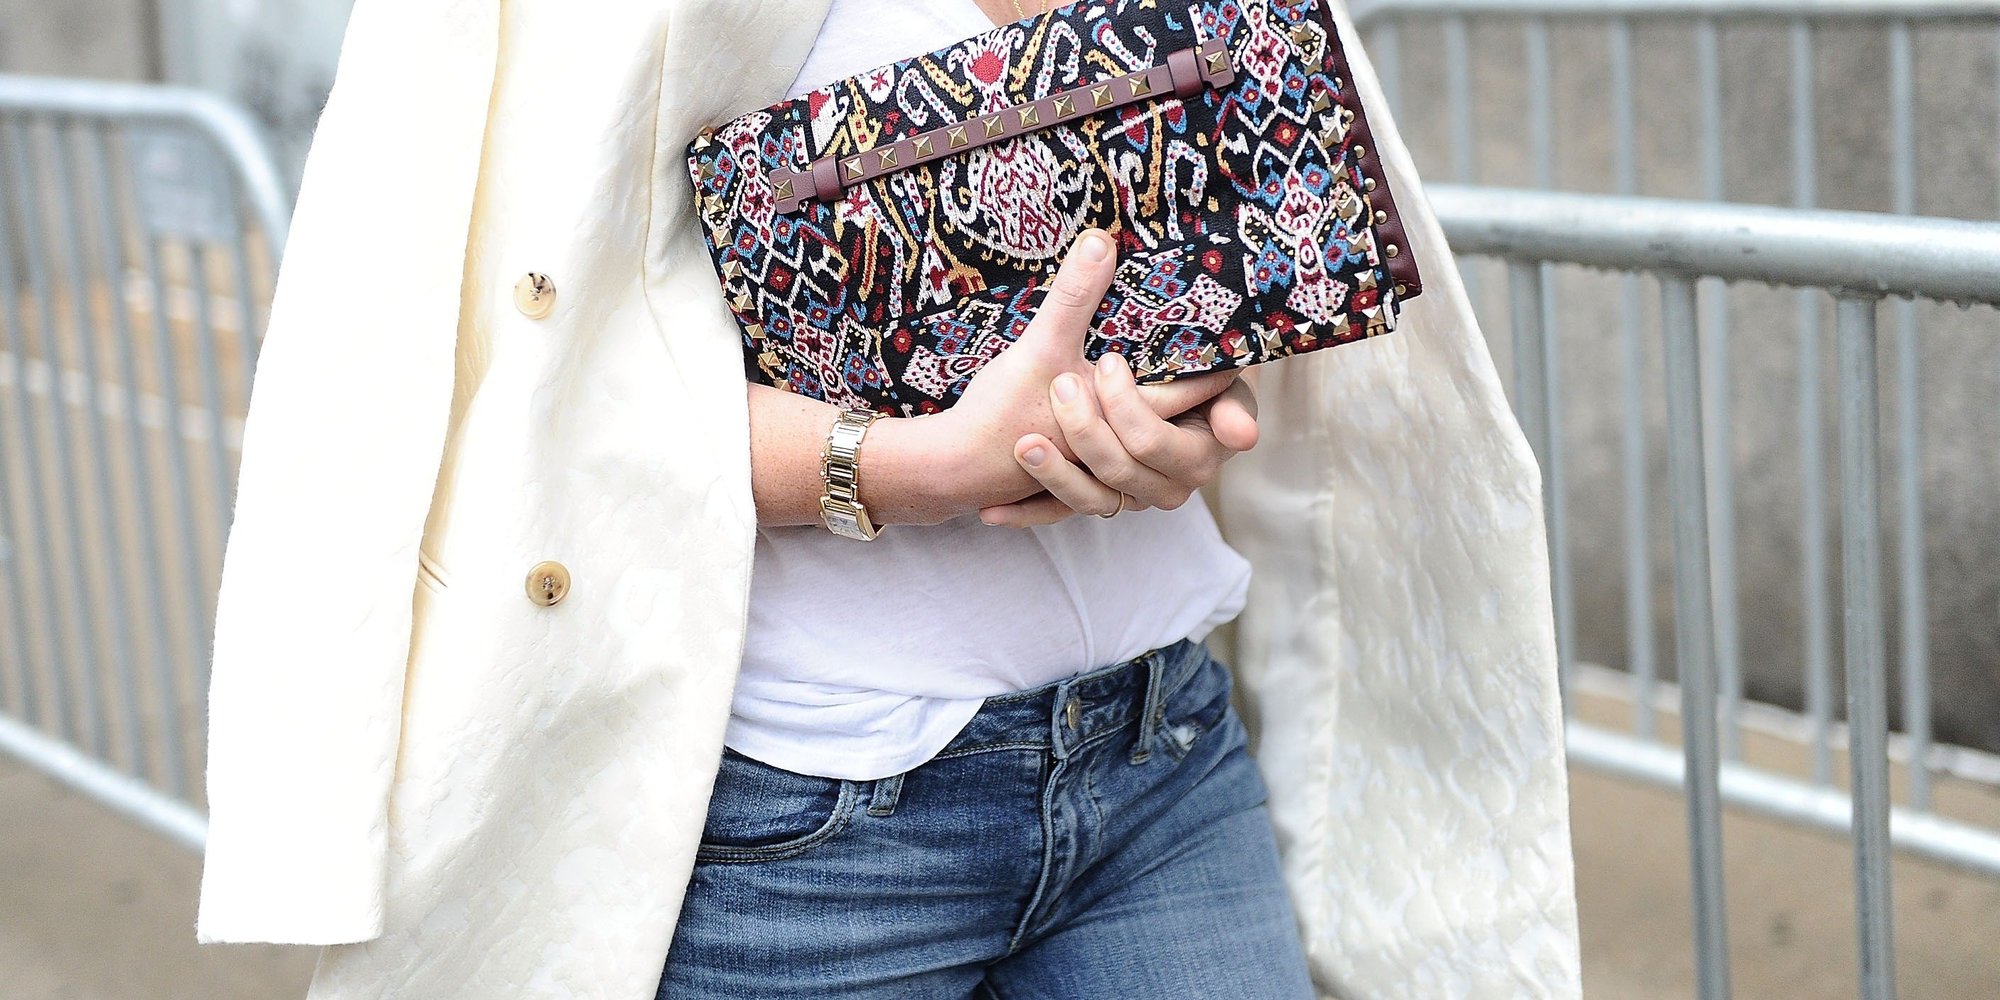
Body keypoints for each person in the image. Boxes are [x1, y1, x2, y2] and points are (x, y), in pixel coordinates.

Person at [192, 0, 1584, 997]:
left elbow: (1258, 253)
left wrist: (1187, 428)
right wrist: (901, 469)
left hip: (1161, 757)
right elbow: (503, 398)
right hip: (793, 823)